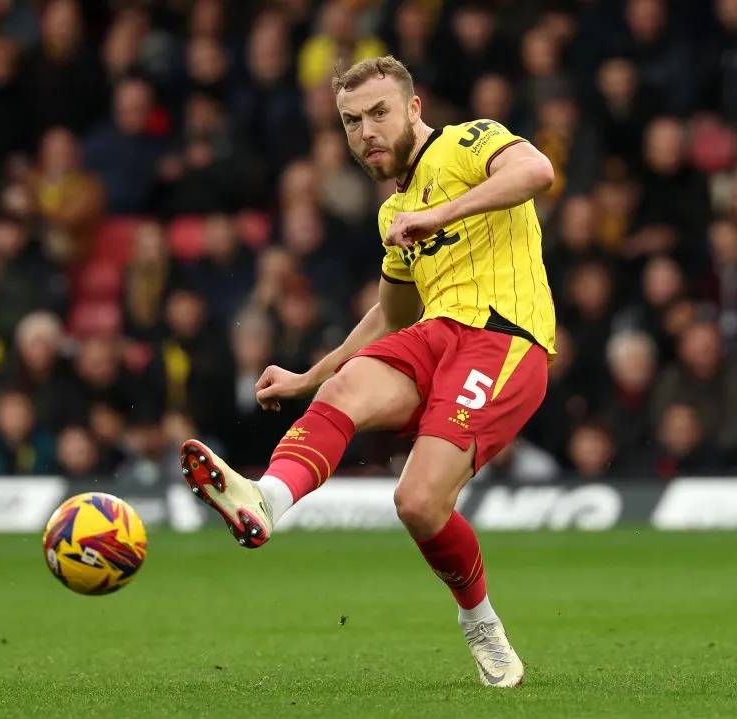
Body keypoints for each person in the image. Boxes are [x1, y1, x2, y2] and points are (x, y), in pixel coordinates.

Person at [181, 55, 556, 688]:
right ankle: (265, 499)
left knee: (415, 503)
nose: (366, 132)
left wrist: (439, 215)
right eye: (352, 122)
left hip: (503, 338)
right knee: (343, 387)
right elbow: (389, 317)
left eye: (379, 113)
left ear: (413, 108)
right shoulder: (393, 215)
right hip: (436, 335)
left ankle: (481, 622)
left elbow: (537, 171)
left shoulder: (471, 142)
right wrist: (306, 378)